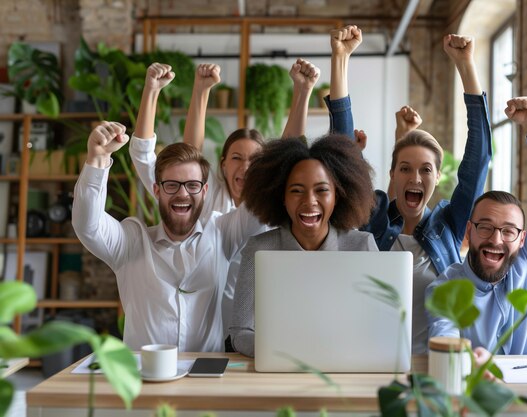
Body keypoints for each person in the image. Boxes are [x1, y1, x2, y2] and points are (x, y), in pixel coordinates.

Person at [128, 60, 320, 348]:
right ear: (223, 165)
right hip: (209, 332)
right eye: (236, 158)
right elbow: (189, 158)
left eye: (255, 160)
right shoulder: (205, 199)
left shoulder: (268, 201)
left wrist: (302, 92)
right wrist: (200, 91)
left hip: (258, 324)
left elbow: (288, 156)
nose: (245, 167)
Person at [326, 29, 492, 354]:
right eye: (405, 169)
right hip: (366, 361)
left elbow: (478, 160)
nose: (415, 177)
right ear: (392, 175)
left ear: (437, 176)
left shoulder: (449, 225)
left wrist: (466, 65)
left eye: (425, 169)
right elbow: (342, 154)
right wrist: (340, 59)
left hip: (432, 366)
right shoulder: (374, 222)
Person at [72, 122, 265, 352]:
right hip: (145, 381)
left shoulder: (222, 232)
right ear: (157, 190)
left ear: (204, 191)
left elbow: (263, 199)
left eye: (192, 185)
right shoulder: (131, 243)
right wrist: (98, 158)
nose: (183, 194)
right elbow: (87, 225)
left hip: (206, 379)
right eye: (172, 185)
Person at [427, 96, 527, 355]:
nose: (496, 239)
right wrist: (464, 357)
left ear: (522, 239)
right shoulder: (445, 288)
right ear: (470, 232)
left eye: (508, 231)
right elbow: (444, 334)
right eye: (486, 227)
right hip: (481, 390)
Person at [229, 135, 378, 357]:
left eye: (321, 190)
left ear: (337, 195)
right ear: (282, 197)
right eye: (297, 190)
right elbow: (240, 332)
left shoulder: (362, 246)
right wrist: (290, 353)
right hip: (278, 372)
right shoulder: (259, 250)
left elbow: (378, 327)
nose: (309, 201)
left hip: (345, 370)